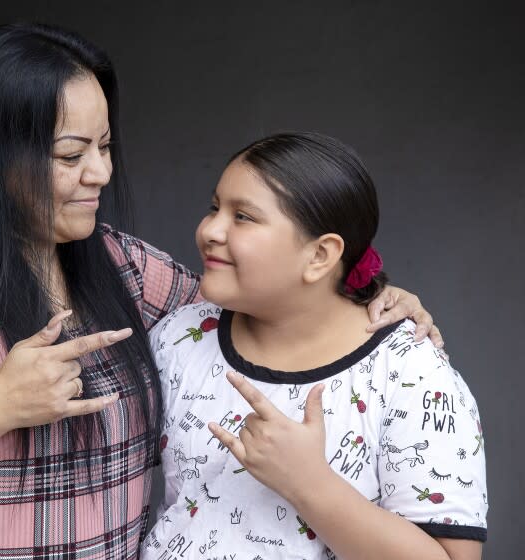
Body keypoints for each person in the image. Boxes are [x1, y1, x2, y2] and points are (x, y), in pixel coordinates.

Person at [0, 24, 439, 559]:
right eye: (72, 153)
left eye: (104, 146)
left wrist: (368, 292)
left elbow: (266, 298)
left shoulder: (128, 271)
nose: (101, 172)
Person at [142, 132, 486, 560]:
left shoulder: (411, 373)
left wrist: (309, 483)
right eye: (215, 207)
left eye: (243, 217)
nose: (210, 229)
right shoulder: (179, 338)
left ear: (321, 255)